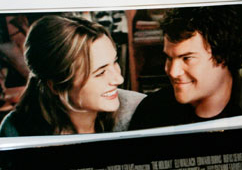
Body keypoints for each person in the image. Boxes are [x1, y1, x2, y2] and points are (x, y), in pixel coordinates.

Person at [0, 15, 145, 136]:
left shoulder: (138, 109)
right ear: (56, 86)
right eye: (100, 72)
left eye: (115, 62)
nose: (119, 79)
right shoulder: (14, 129)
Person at [129, 6, 242, 130]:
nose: (173, 72)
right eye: (169, 58)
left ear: (223, 56)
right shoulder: (151, 111)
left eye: (187, 58)